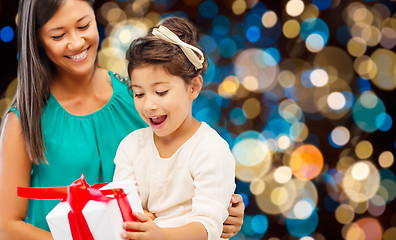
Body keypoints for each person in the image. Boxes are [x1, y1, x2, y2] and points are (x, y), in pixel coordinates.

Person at [0, 0, 244, 239]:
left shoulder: (139, 98)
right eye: (57, 36)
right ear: (38, 41)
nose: (76, 42)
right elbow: (7, 227)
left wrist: (224, 207)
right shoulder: (24, 120)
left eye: (84, 26)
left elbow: (188, 167)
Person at [113, 17, 236, 240]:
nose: (148, 105)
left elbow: (208, 227)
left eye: (161, 92)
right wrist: (136, 218)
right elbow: (122, 210)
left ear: (194, 87)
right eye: (139, 93)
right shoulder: (131, 146)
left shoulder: (210, 149)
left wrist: (159, 234)